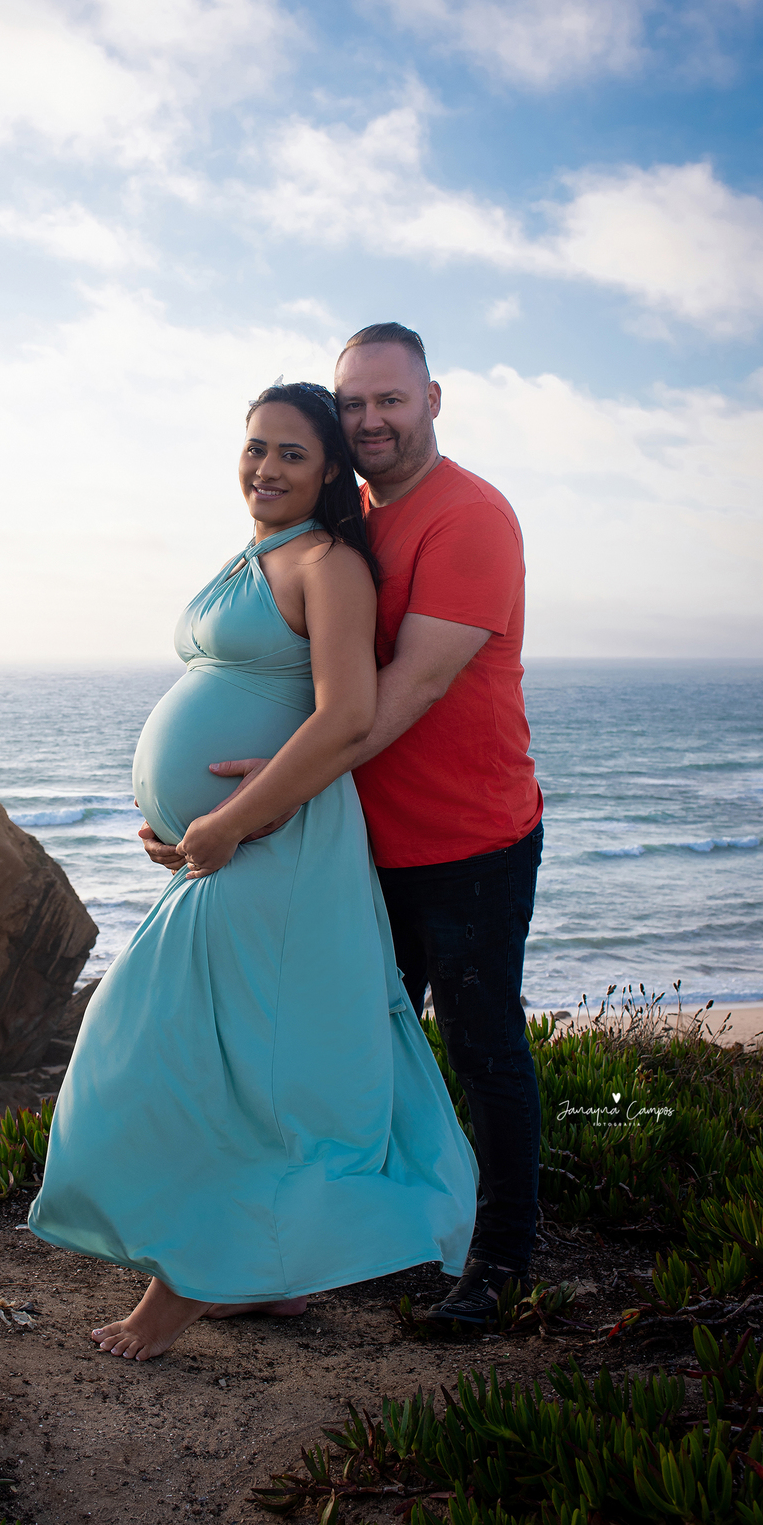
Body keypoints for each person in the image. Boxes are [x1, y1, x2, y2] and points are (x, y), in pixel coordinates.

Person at [28, 382, 478, 1360]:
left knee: (210, 1060)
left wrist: (229, 821)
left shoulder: (327, 564)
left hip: (281, 846)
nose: (266, 468)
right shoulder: (255, 553)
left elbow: (346, 715)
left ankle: (183, 1291)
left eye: (291, 454)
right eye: (255, 447)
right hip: (225, 848)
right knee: (218, 1054)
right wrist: (178, 820)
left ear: (330, 473)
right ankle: (266, 1276)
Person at [140, 325, 545, 1330]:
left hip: (466, 840)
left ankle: (499, 1258)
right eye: (353, 402)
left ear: (432, 400)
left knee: (482, 1050)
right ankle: (306, 1253)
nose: (370, 420)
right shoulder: (348, 519)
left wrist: (258, 802)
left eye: (390, 400)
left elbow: (404, 690)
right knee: (330, 1056)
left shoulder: (470, 518)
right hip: (352, 841)